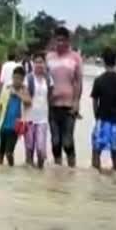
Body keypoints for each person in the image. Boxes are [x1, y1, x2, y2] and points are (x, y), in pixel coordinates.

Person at [46, 27, 83, 167]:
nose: (60, 43)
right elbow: (44, 79)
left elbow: (78, 82)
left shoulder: (75, 57)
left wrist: (76, 102)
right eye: (58, 40)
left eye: (63, 40)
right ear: (54, 40)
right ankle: (58, 173)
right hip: (52, 105)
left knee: (67, 142)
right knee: (55, 142)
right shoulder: (49, 57)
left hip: (69, 106)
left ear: (68, 41)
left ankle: (72, 170)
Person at [0, 66, 31, 167]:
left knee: (9, 153)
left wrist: (17, 94)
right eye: (15, 78)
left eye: (19, 79)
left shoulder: (24, 90)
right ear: (12, 77)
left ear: (23, 79)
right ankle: (2, 173)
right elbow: (0, 106)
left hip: (15, 127)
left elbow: (28, 102)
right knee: (0, 152)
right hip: (3, 125)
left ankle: (11, 168)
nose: (17, 81)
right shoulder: (7, 89)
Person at [24, 52, 54, 169]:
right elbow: (25, 94)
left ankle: (40, 170)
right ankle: (30, 174)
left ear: (45, 64)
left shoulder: (48, 78)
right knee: (29, 148)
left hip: (43, 118)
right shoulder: (28, 78)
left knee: (41, 149)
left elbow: (50, 94)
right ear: (33, 64)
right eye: (36, 62)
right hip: (29, 118)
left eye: (41, 62)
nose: (39, 65)